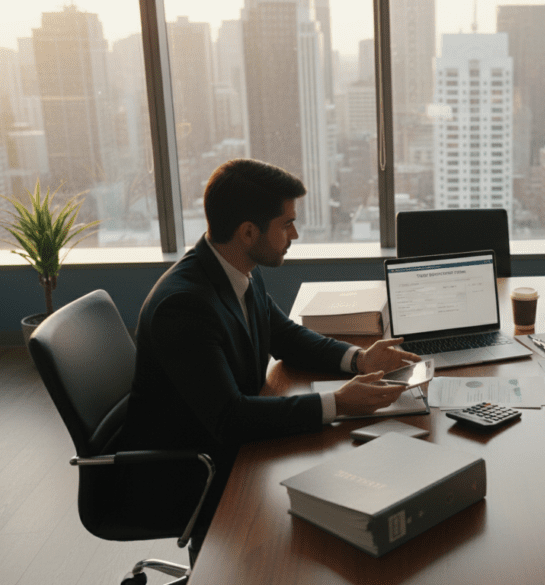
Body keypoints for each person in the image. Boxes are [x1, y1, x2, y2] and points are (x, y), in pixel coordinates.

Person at [121, 158, 419, 558]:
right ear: (248, 232)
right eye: (286, 223)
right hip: (188, 469)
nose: (294, 233)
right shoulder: (184, 306)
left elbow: (284, 335)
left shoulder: (235, 266)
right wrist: (337, 403)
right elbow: (229, 419)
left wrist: (359, 359)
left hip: (228, 440)